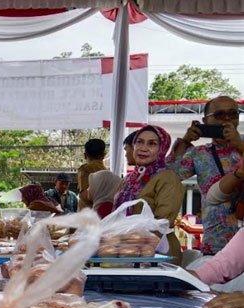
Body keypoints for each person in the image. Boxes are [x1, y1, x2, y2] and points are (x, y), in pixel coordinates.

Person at [168, 96, 242, 255]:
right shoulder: (199, 153)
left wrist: (240, 145)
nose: (227, 119)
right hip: (217, 241)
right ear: (205, 121)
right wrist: (185, 141)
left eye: (233, 114)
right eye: (220, 115)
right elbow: (169, 175)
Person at [114, 125, 185, 264]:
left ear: (162, 149)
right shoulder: (129, 179)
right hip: (126, 250)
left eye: (152, 144)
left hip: (158, 254)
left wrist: (130, 246)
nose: (143, 148)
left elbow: (162, 223)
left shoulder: (168, 178)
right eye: (139, 142)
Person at [77, 139, 107, 209]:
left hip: (88, 213)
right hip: (102, 213)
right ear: (104, 155)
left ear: (85, 155)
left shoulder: (85, 169)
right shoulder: (108, 172)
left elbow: (85, 196)